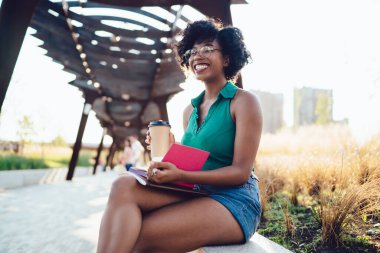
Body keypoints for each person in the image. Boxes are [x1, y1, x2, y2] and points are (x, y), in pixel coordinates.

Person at [97, 19, 262, 253]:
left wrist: (182, 173)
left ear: (226, 59)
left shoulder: (243, 102)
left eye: (207, 48)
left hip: (235, 200)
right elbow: (197, 163)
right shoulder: (190, 111)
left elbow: (240, 173)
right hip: (198, 191)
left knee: (136, 236)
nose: (197, 56)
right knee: (122, 185)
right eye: (192, 51)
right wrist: (170, 152)